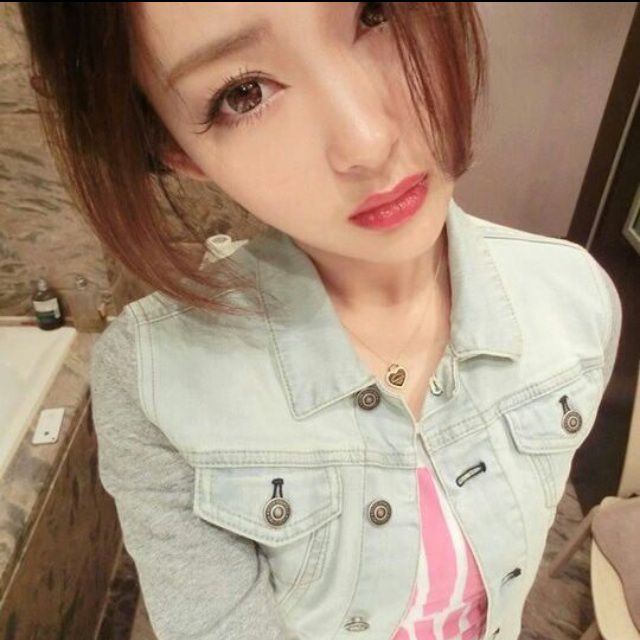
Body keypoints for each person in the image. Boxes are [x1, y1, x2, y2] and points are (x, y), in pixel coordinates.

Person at [18, 3, 622, 639]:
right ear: (177, 150)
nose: (367, 141)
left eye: (378, 12)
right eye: (244, 94)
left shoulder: (574, 301)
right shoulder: (155, 378)